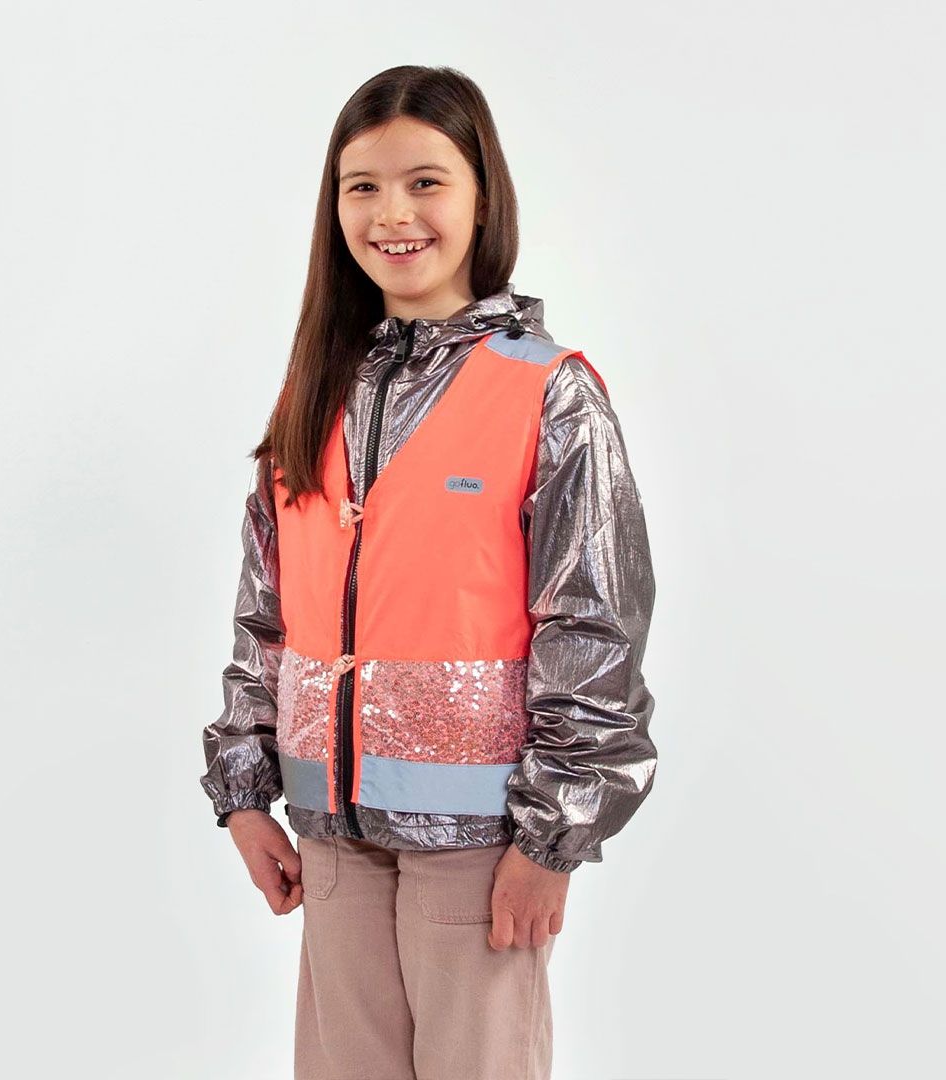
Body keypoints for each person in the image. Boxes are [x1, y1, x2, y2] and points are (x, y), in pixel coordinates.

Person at [200, 64, 657, 1080]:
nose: (392, 214)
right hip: (332, 835)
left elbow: (595, 628)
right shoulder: (315, 390)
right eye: (361, 186)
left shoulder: (549, 394)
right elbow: (265, 613)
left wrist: (552, 839)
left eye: (425, 182)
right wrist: (245, 790)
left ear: (482, 197)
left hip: (483, 843)